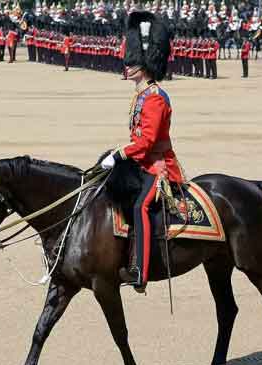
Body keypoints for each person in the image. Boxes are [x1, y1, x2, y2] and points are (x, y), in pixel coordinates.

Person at [100, 11, 184, 291]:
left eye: (132, 63)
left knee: (141, 205)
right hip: (141, 160)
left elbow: (147, 142)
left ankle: (141, 270)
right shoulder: (141, 95)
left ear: (145, 66)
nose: (127, 67)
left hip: (158, 165)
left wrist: (120, 154)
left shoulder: (156, 98)